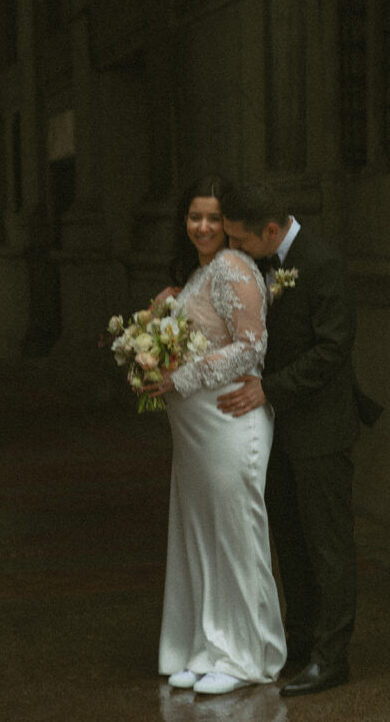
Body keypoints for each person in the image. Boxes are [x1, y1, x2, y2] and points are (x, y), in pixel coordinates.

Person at [219, 181, 367, 698]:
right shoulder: (261, 261)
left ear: (272, 231)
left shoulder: (322, 260)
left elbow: (333, 349)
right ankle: (300, 645)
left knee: (328, 547)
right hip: (278, 430)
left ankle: (332, 658)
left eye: (241, 240)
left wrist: (270, 389)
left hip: (320, 428)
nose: (234, 249)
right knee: (291, 541)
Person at [143, 175, 286, 696]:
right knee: (200, 538)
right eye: (194, 216)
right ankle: (204, 646)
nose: (202, 226)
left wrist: (178, 378)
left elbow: (251, 347)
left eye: (212, 218)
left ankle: (245, 654)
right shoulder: (199, 275)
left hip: (229, 422)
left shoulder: (232, 266)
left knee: (234, 537)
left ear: (228, 223)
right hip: (194, 431)